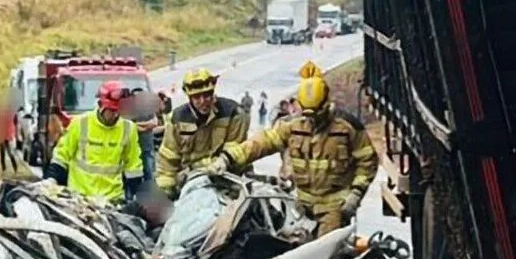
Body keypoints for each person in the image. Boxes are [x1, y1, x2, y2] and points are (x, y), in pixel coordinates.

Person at [208, 60, 379, 237]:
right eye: (307, 114)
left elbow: (368, 161)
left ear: (327, 104)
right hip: (300, 207)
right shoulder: (294, 126)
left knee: (324, 253)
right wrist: (227, 158)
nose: (312, 121)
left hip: (335, 208)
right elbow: (262, 142)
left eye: (316, 114)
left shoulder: (347, 128)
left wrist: (356, 194)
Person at [156, 68, 250, 199]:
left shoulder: (233, 113)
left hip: (229, 179)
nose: (203, 101)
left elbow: (235, 152)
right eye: (196, 97)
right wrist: (166, 192)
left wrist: (216, 165)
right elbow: (168, 160)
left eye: (207, 95)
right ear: (189, 97)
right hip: (190, 182)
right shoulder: (177, 119)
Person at [44, 80, 143, 202]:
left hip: (112, 200)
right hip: (80, 198)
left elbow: (133, 165)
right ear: (101, 105)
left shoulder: (128, 128)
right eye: (112, 111)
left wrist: (137, 192)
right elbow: (62, 155)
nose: (116, 115)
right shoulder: (80, 123)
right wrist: (51, 179)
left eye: (119, 111)